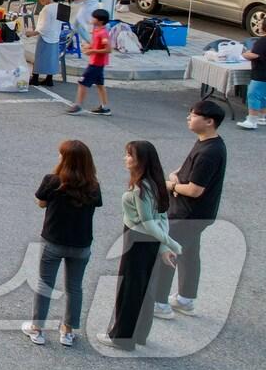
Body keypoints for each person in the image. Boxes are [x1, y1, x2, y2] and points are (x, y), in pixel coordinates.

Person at [99, 141, 181, 351]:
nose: (125, 158)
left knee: (130, 289)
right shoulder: (155, 184)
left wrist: (170, 244)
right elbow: (161, 218)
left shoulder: (140, 187)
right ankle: (138, 335)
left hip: (137, 239)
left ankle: (122, 337)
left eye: (129, 155)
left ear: (141, 161)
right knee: (143, 288)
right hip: (149, 242)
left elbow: (149, 222)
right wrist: (163, 246)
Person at [22, 140, 102, 347]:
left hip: (54, 241)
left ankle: (37, 328)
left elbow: (41, 202)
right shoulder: (93, 186)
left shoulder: (52, 181)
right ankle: (67, 331)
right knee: (74, 287)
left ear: (65, 160)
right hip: (81, 244)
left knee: (45, 284)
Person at [154, 99, 227, 320]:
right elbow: (188, 170)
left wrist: (171, 185)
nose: (189, 118)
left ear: (209, 121)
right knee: (189, 254)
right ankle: (185, 299)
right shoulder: (208, 143)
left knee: (167, 253)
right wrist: (177, 175)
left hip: (187, 214)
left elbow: (195, 190)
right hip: (199, 214)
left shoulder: (208, 152)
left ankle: (160, 303)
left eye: (193, 115)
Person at [66, 8, 111, 115]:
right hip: (97, 63)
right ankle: (104, 107)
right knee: (100, 85)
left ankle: (78, 105)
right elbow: (95, 43)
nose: (91, 19)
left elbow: (108, 49)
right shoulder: (96, 30)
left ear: (100, 21)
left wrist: (92, 51)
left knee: (82, 83)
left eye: (94, 17)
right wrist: (89, 46)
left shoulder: (103, 33)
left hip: (96, 63)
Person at [26, 0, 64, 87]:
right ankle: (49, 78)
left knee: (39, 57)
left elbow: (43, 27)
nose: (39, 0)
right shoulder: (58, 6)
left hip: (45, 36)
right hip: (55, 35)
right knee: (51, 58)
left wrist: (31, 33)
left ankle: (35, 78)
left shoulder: (46, 9)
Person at [239, 31, 266, 129]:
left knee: (253, 94)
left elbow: (255, 55)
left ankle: (252, 120)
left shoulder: (262, 41)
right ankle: (262, 117)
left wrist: (244, 54)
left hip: (261, 72)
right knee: (263, 96)